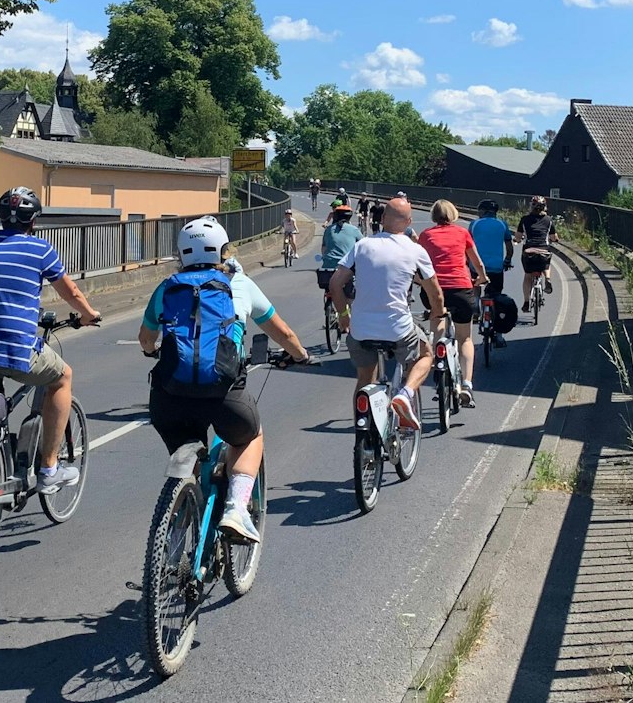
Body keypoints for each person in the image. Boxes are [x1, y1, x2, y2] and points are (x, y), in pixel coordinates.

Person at [140, 220, 311, 544]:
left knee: (185, 449)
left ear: (181, 254)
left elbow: (146, 338)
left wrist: (152, 350)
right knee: (249, 436)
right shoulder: (239, 283)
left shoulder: (167, 288)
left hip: (170, 395)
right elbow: (283, 333)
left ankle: (178, 524)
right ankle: (235, 508)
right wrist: (300, 356)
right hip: (223, 392)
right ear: (224, 250)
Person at [0, 187, 102, 494]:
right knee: (62, 377)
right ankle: (49, 469)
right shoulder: (40, 250)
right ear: (34, 220)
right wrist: (88, 314)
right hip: (13, 346)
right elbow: (70, 292)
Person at [328, 197, 445, 431]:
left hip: (360, 329)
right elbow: (436, 294)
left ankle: (364, 436)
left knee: (364, 380)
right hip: (398, 329)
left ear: (381, 220)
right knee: (426, 355)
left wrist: (343, 315)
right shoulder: (415, 250)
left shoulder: (362, 246)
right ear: (409, 222)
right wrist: (438, 313)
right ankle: (405, 394)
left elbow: (335, 284)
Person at [417, 200, 488, 407]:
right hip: (461, 289)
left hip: (434, 290)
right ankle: (466, 384)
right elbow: (477, 263)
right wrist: (481, 278)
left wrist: (418, 281)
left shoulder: (426, 235)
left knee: (437, 323)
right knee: (465, 338)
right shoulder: (462, 233)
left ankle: (439, 359)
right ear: (454, 214)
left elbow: (418, 263)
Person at [317, 201, 363, 312]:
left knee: (329, 287)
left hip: (328, 269)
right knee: (350, 297)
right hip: (346, 269)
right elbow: (363, 247)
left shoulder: (328, 230)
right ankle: (349, 320)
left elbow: (324, 249)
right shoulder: (354, 230)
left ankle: (330, 307)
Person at [519, 196, 556, 314]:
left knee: (528, 276)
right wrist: (555, 239)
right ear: (544, 207)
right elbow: (553, 237)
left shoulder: (524, 219)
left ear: (531, 206)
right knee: (546, 263)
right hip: (543, 249)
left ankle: (526, 302)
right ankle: (548, 279)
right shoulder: (549, 220)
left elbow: (518, 237)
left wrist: (518, 240)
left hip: (529, 251)